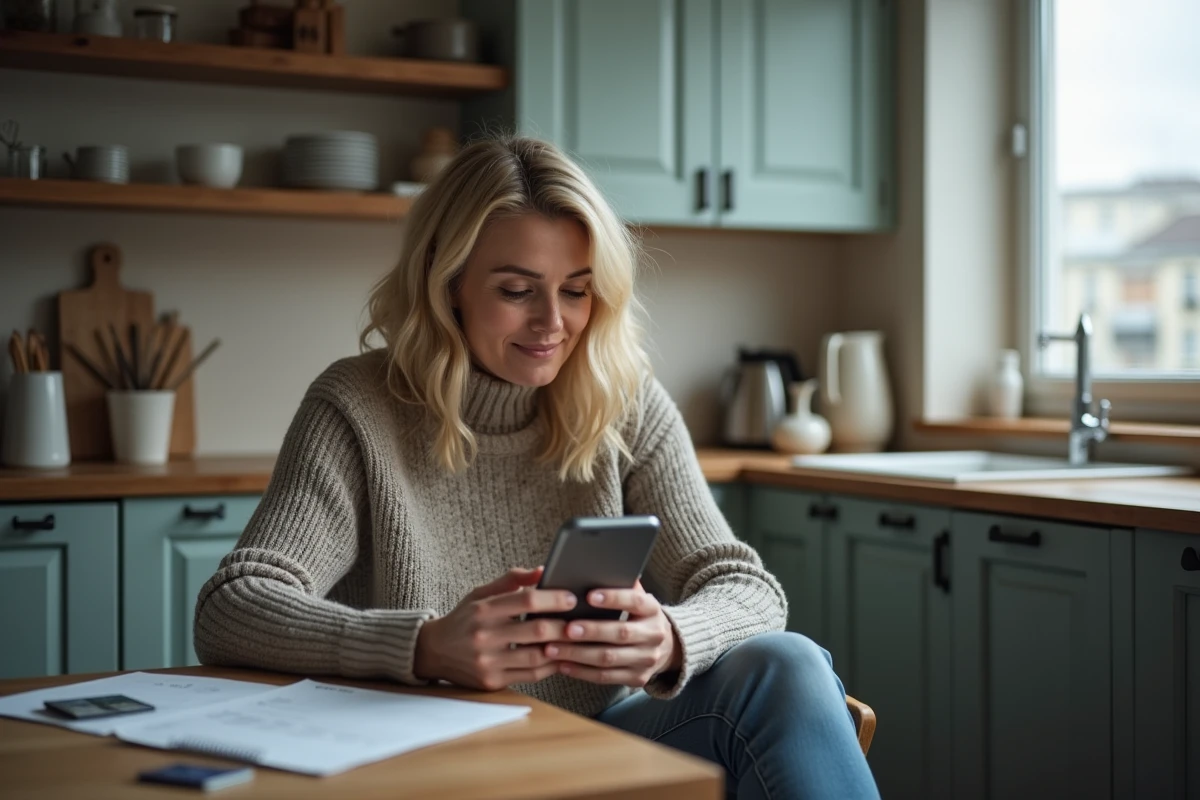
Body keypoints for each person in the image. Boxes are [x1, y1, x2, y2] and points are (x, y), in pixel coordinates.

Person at [194, 135, 879, 799]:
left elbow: (747, 587)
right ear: (448, 281)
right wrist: (424, 647)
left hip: (600, 737)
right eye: (518, 289)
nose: (553, 322)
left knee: (787, 664)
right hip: (424, 750)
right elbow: (231, 607)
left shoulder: (622, 398)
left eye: (577, 291)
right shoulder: (357, 407)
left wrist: (671, 639)